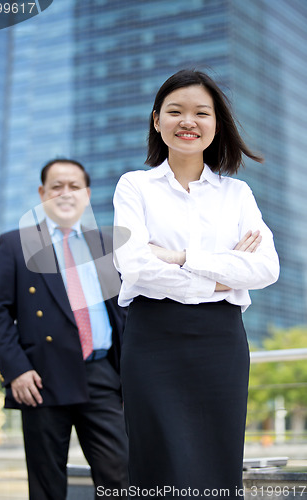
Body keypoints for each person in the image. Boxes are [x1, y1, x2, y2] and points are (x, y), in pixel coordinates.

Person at [113, 70, 279, 498]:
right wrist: (222, 276)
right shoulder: (134, 187)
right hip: (153, 340)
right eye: (176, 111)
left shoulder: (237, 195)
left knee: (217, 465)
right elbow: (133, 267)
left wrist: (183, 258)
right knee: (156, 464)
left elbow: (266, 269)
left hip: (219, 343)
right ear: (156, 121)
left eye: (201, 112)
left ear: (216, 124)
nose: (188, 121)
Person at [0, 159, 128, 500]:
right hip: (41, 380)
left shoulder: (105, 245)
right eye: (57, 186)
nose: (66, 193)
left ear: (87, 194)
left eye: (74, 186)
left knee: (121, 477)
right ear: (42, 193)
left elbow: (125, 310)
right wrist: (16, 370)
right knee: (47, 484)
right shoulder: (14, 244)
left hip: (103, 376)